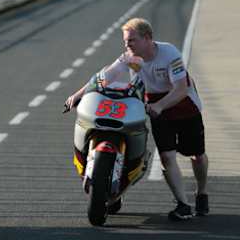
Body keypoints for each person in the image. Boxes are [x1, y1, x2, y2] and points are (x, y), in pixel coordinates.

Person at [65, 18, 209, 221]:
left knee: (197, 155)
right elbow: (104, 77)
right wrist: (78, 95)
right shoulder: (131, 58)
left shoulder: (169, 54)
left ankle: (202, 192)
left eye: (132, 40)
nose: (127, 44)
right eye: (125, 40)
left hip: (183, 105)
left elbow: (181, 89)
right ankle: (183, 205)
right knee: (167, 157)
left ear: (147, 38)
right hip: (156, 108)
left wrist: (160, 105)